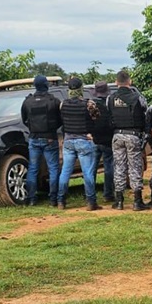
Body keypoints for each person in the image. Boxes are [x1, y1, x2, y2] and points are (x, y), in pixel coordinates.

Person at [107, 70, 148, 211]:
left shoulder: (110, 98)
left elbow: (109, 116)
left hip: (117, 135)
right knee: (135, 167)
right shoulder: (138, 98)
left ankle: (119, 201)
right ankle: (137, 201)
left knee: (119, 167)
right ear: (129, 81)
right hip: (133, 135)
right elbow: (145, 115)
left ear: (116, 82)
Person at [20, 75, 63, 207]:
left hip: (34, 138)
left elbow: (24, 119)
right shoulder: (54, 101)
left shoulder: (27, 102)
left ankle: (32, 199)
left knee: (33, 169)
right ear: (46, 85)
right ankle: (53, 199)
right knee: (53, 168)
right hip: (50, 138)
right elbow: (60, 120)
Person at [59, 77, 101, 211]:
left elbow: (61, 120)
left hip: (68, 141)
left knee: (65, 172)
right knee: (88, 173)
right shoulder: (89, 104)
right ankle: (91, 202)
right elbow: (97, 118)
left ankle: (61, 201)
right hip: (83, 140)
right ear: (81, 88)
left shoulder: (63, 104)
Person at [90, 80, 116, 202]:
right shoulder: (110, 105)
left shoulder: (91, 105)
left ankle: (90, 193)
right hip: (108, 140)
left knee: (91, 168)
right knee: (109, 167)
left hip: (94, 139)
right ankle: (108, 194)